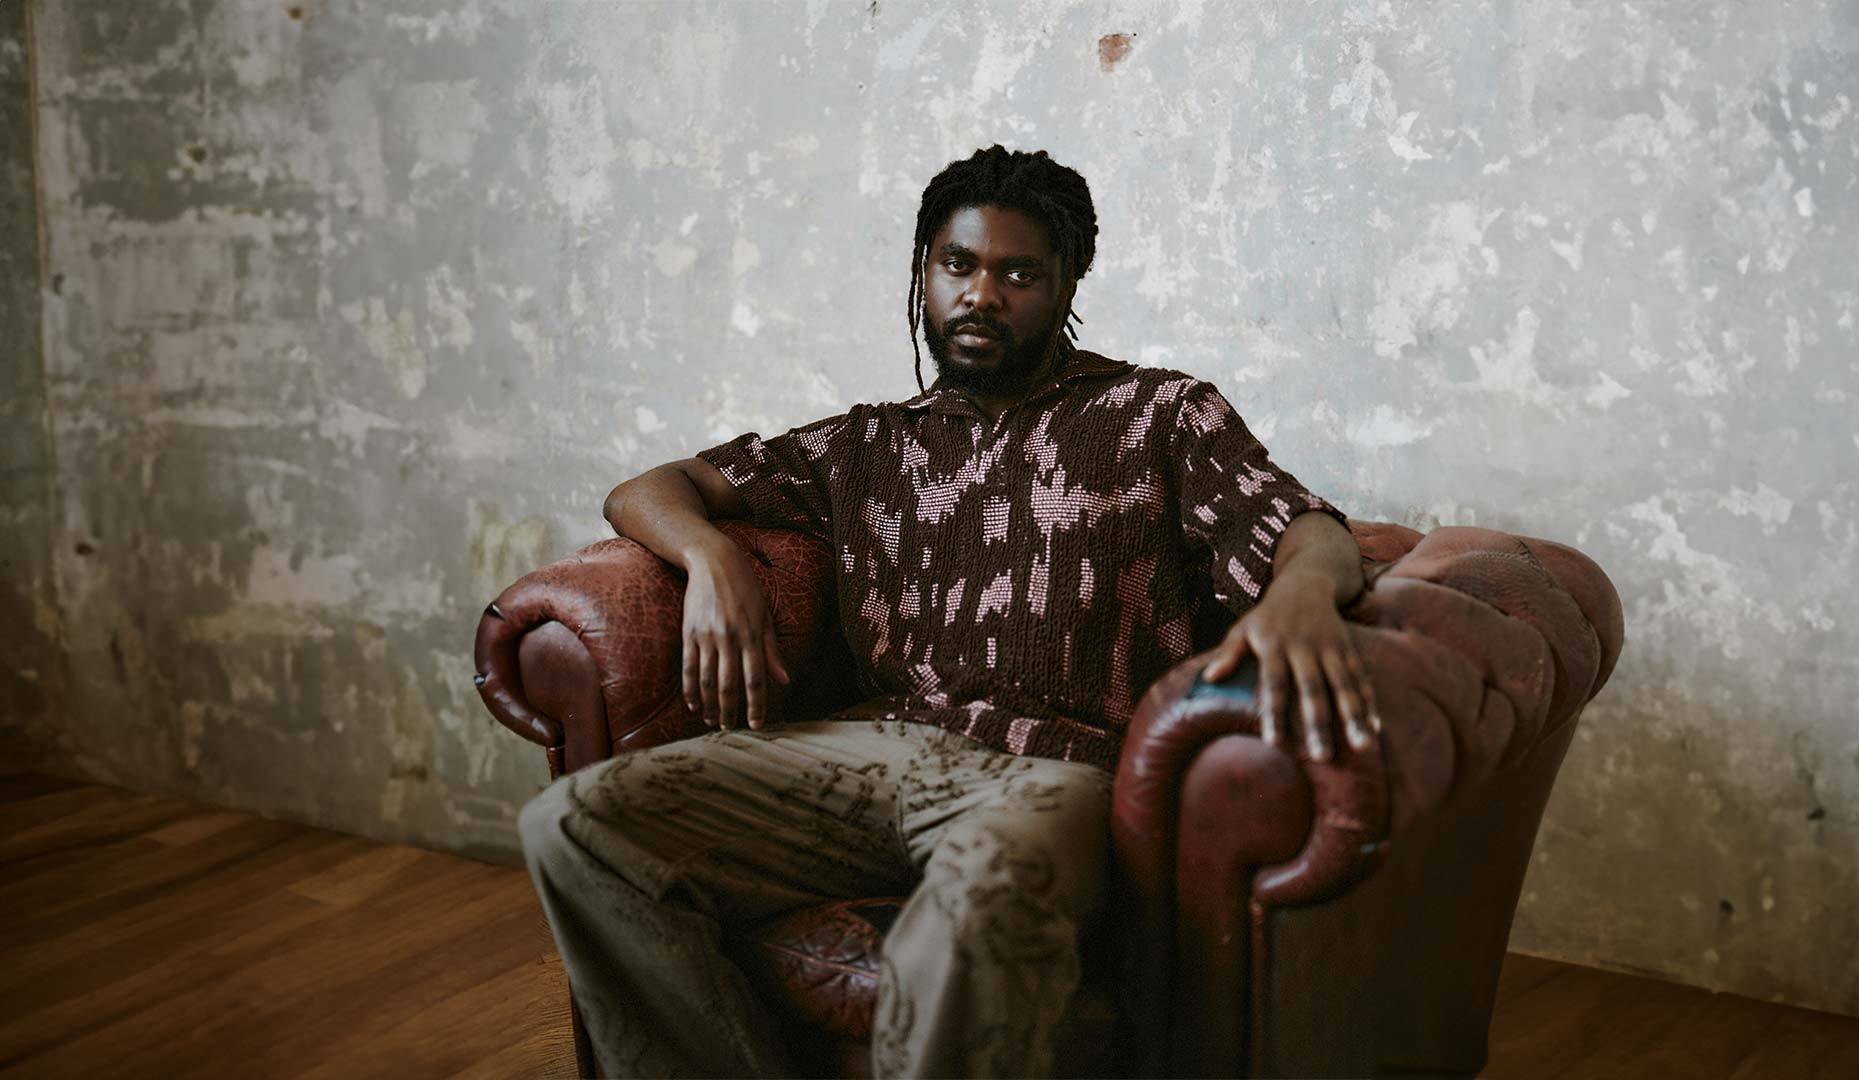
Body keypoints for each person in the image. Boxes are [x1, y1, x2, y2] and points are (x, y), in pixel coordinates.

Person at [516, 145, 1380, 1078]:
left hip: (1053, 771)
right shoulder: (865, 443)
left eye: (1018, 273)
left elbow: (1308, 530)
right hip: (862, 752)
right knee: (575, 826)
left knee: (982, 892)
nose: (982, 294)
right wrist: (710, 553)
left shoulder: (1158, 415)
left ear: (1066, 282)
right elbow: (650, 489)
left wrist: (1300, 593)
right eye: (959, 265)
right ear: (924, 269)